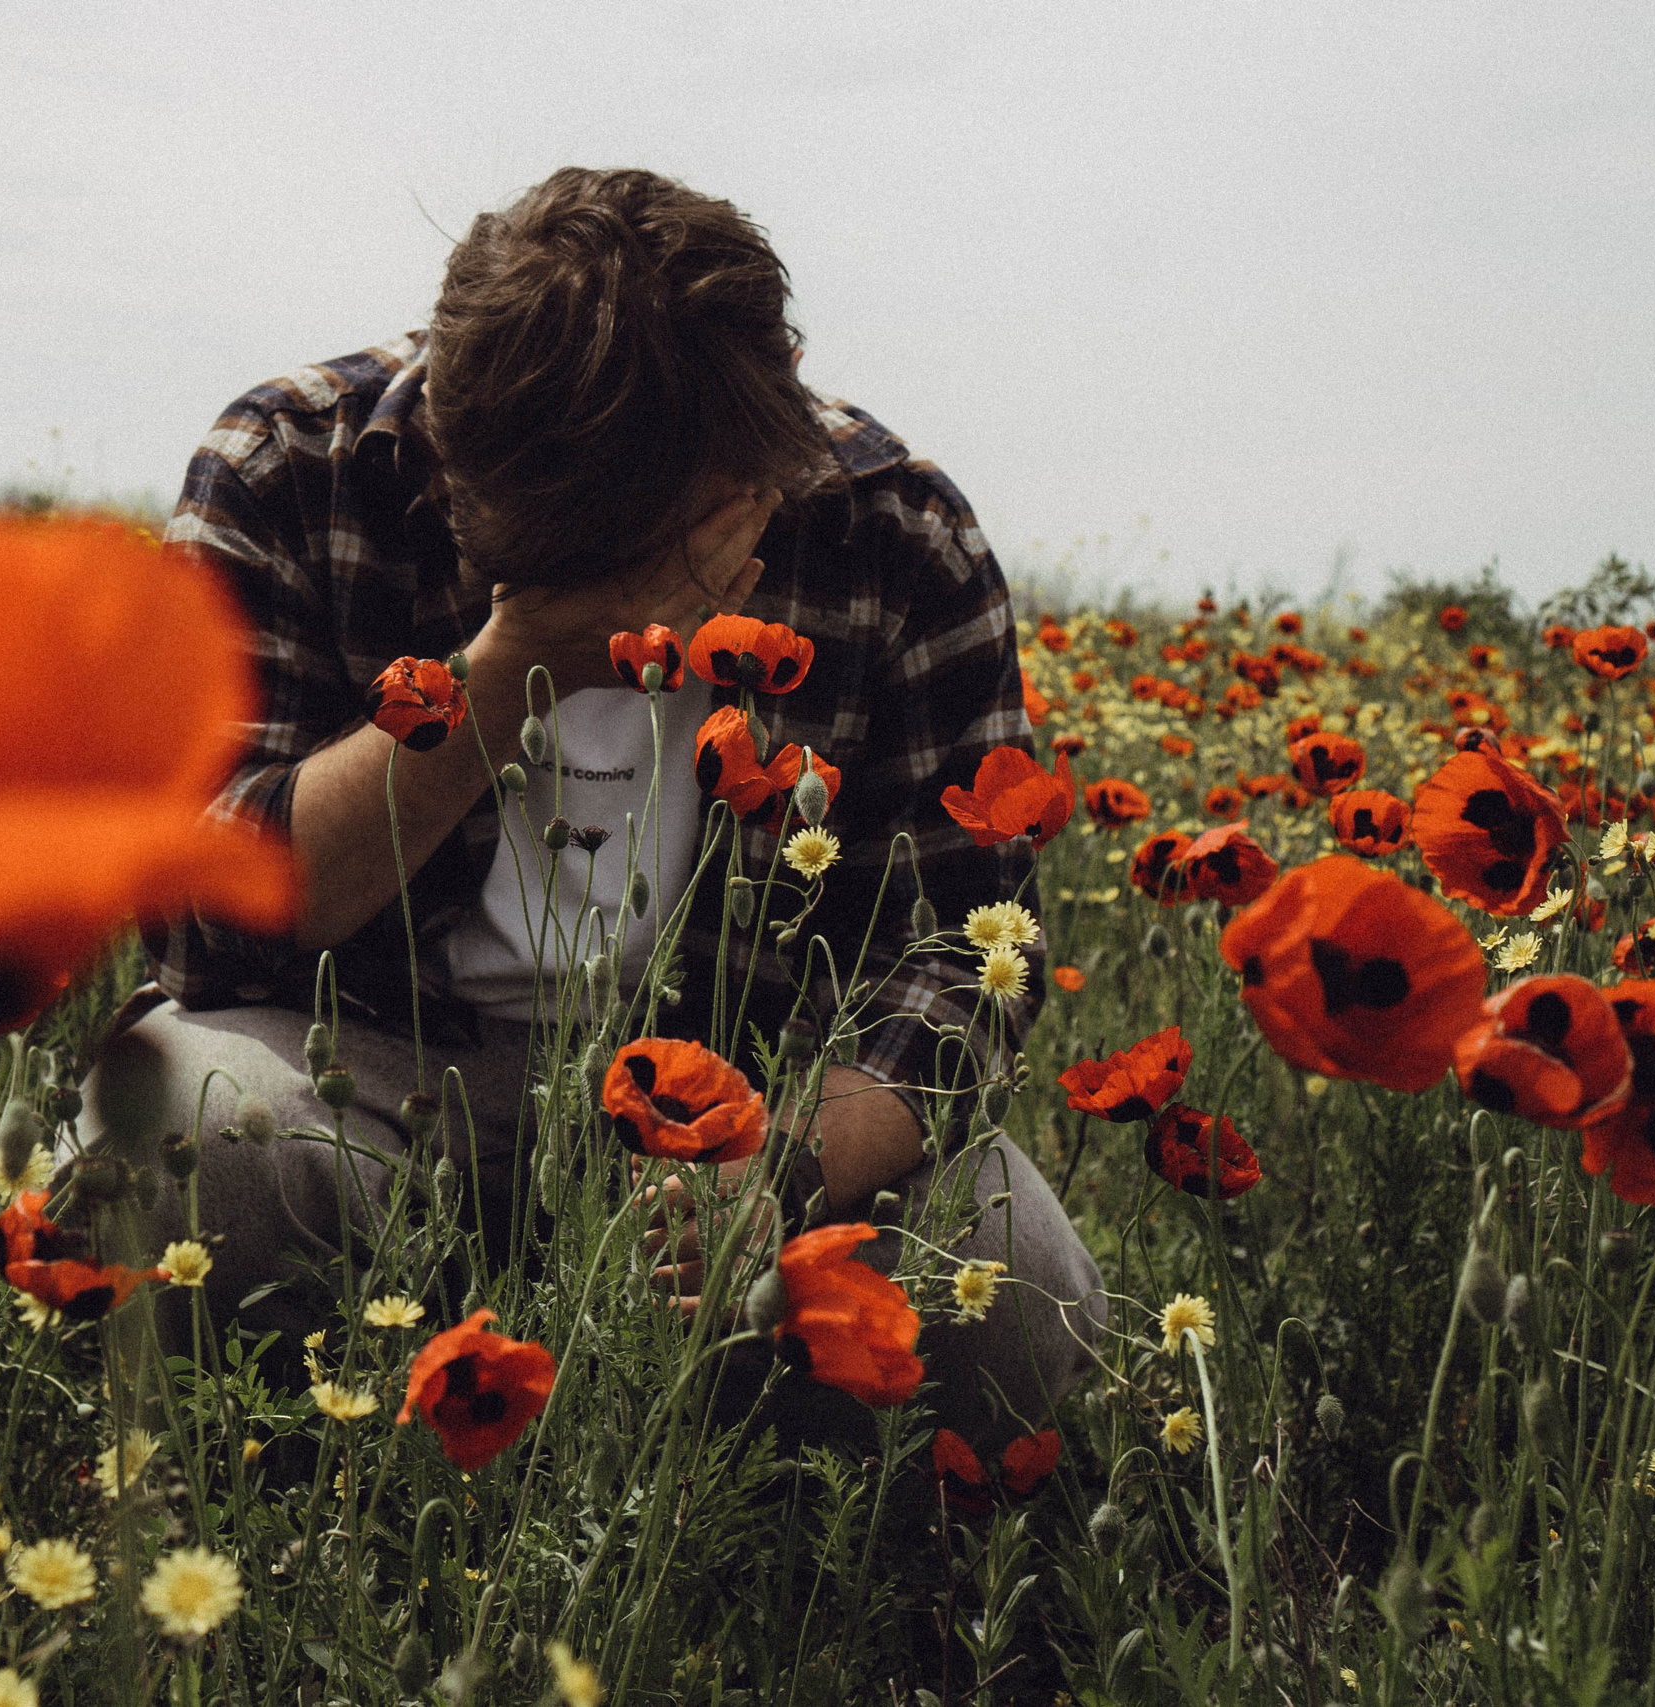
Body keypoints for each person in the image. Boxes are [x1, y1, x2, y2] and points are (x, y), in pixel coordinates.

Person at [78, 166, 1102, 1450]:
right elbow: (190, 920)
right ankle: (340, 1457)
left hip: (741, 1107)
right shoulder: (293, 467)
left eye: (651, 541)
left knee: (1014, 1291)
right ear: (449, 438)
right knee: (188, 1139)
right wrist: (513, 663)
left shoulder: (889, 530)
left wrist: (773, 1171)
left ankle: (718, 1501)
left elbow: (967, 959)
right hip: (373, 1080)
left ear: (756, 447)